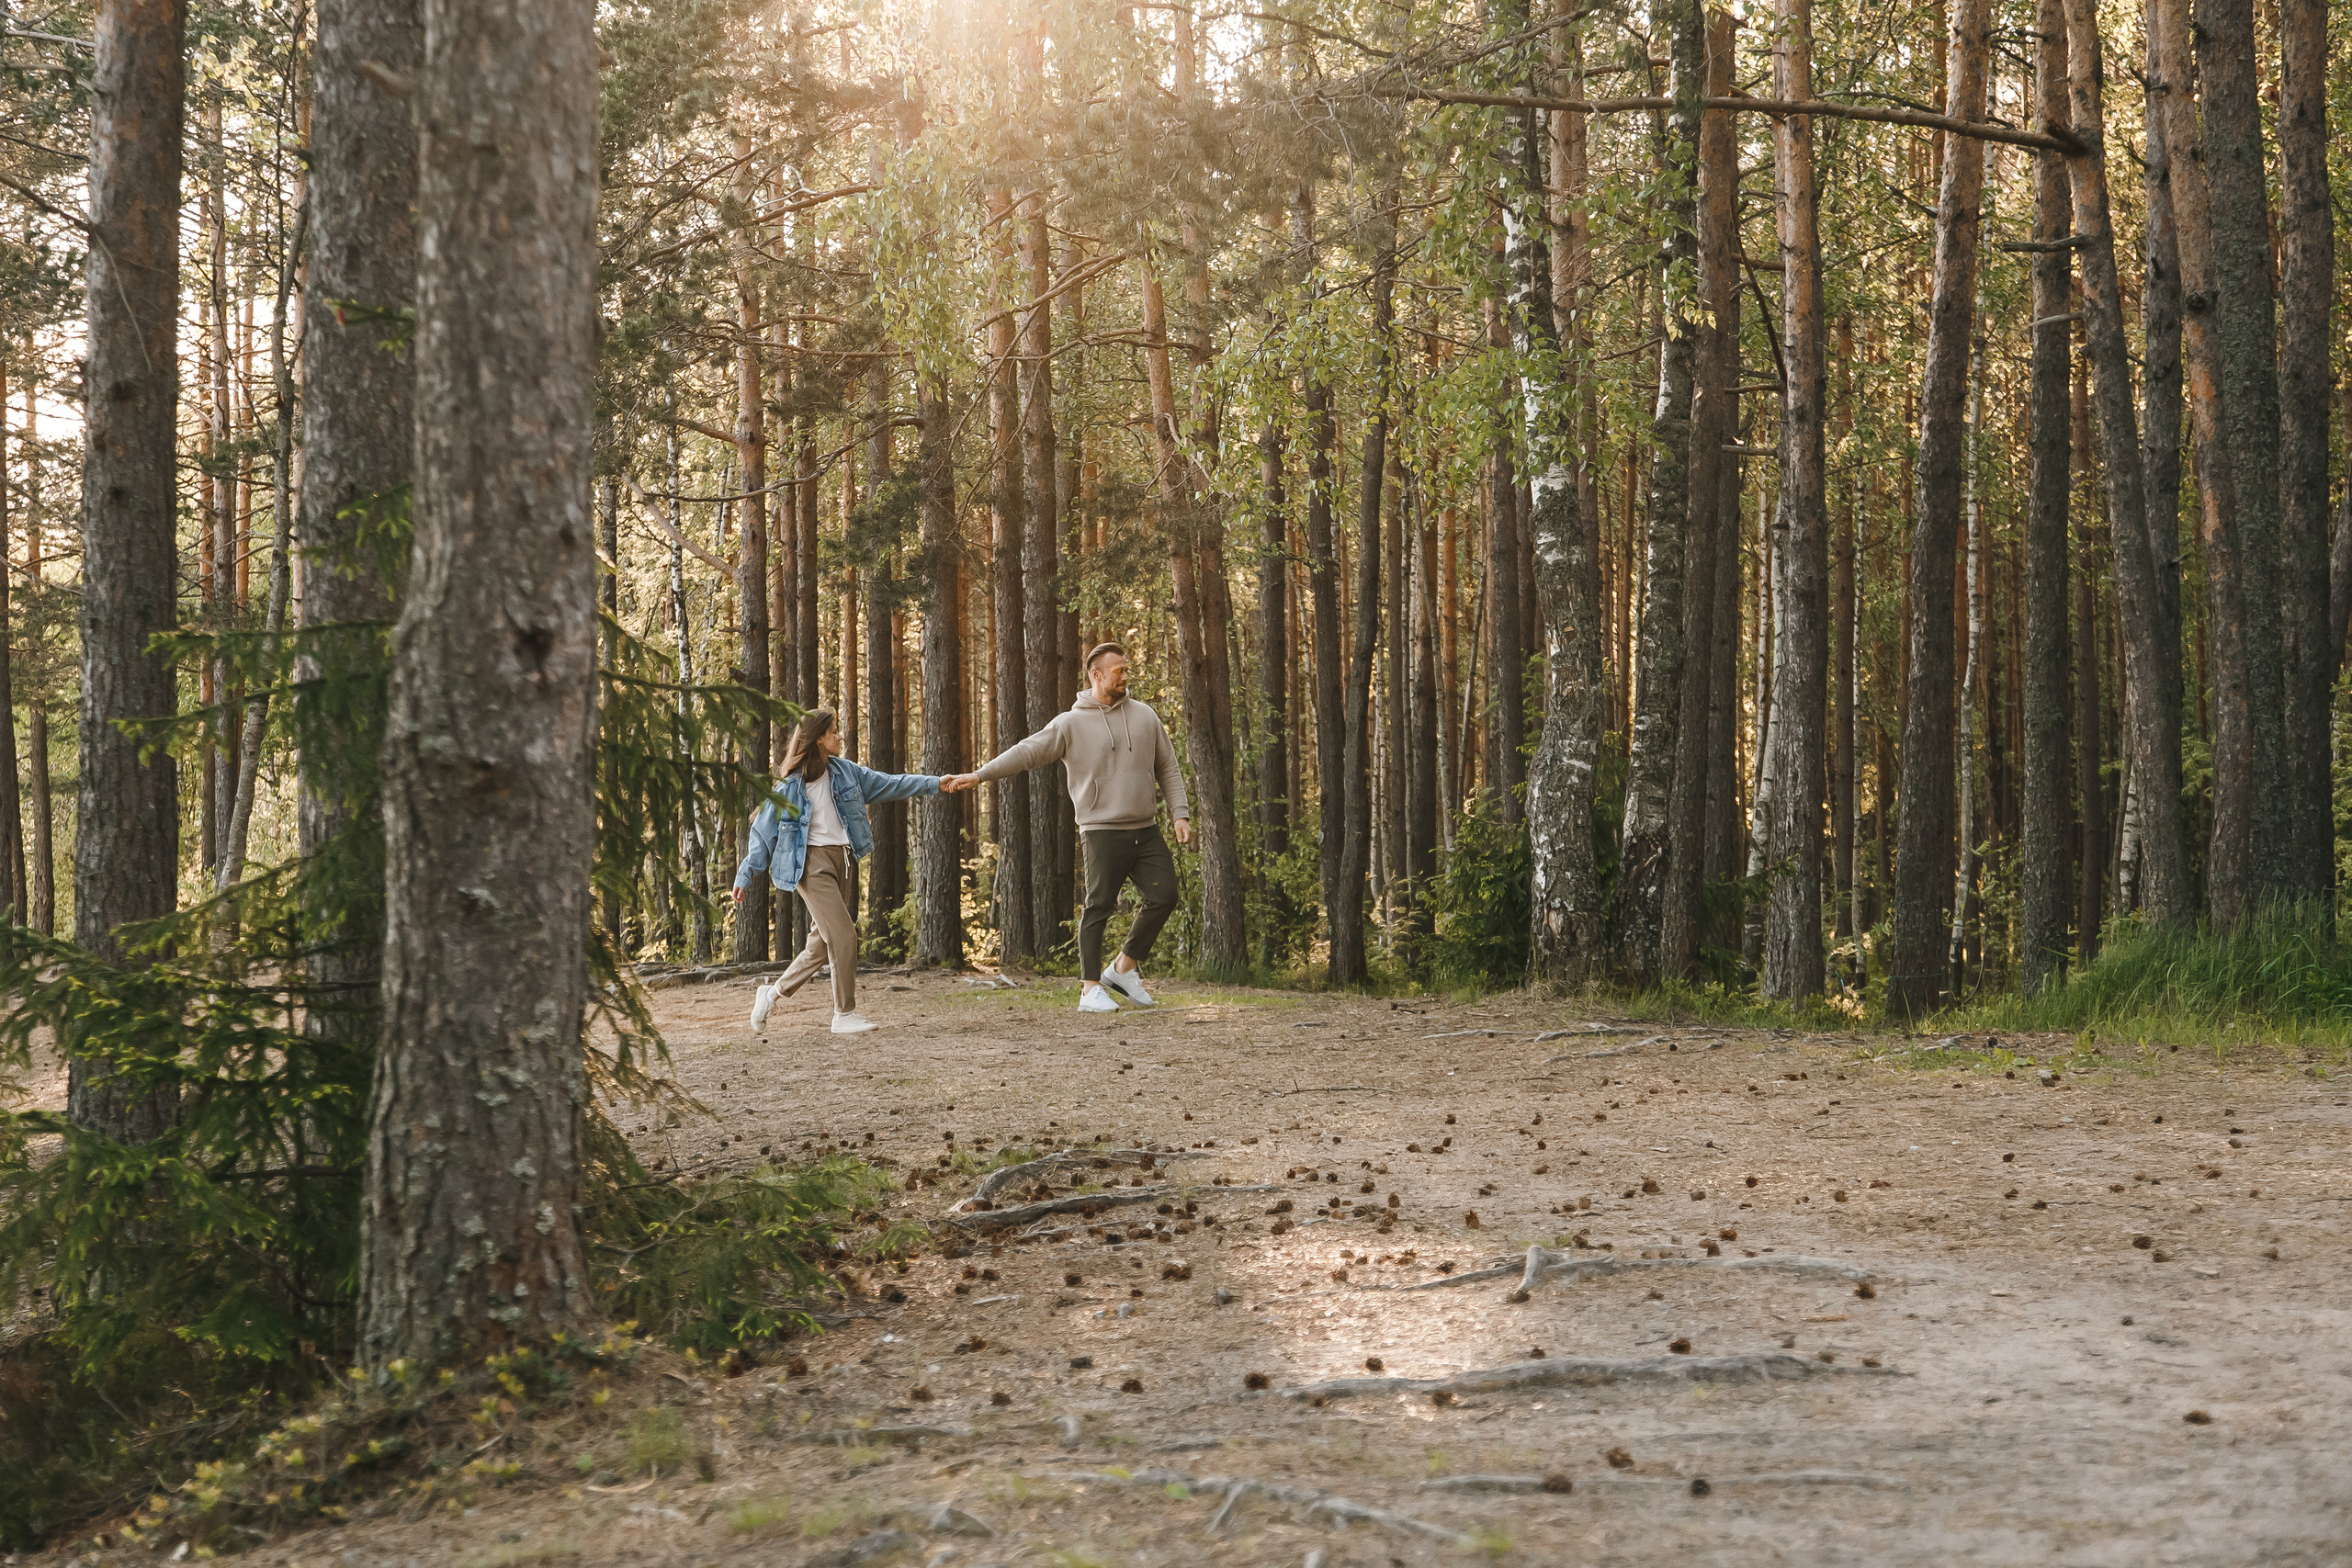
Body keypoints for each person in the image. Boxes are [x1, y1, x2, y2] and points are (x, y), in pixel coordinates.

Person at [943, 642, 1189, 1013]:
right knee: (1098, 906)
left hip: (1146, 828)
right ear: (1095, 674)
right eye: (1118, 671)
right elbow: (1026, 752)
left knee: (1165, 895)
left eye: (1126, 669)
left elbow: (1167, 766)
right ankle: (1090, 990)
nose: (1126, 676)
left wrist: (1179, 813)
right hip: (1101, 829)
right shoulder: (1070, 723)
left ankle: (1123, 968)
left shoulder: (1144, 716)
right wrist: (980, 775)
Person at [733, 707, 943, 1035]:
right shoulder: (789, 787)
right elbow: (762, 833)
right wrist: (745, 874)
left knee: (819, 946)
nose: (840, 736)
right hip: (810, 865)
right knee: (844, 936)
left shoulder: (846, 773)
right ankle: (844, 1014)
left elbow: (892, 783)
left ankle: (771, 994)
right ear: (819, 738)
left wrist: (938, 784)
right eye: (834, 731)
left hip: (843, 860)